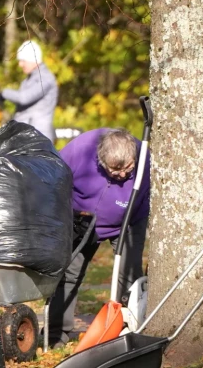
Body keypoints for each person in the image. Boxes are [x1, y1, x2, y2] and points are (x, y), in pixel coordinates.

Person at [48, 127, 150, 347]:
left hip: (130, 220)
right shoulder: (79, 150)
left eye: (128, 169)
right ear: (100, 160)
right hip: (81, 218)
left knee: (129, 274)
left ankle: (125, 328)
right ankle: (57, 332)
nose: (122, 175)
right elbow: (52, 180)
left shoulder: (145, 157)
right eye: (115, 170)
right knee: (69, 272)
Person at [0, 40, 59, 141]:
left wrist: (3, 93)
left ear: (33, 59)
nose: (20, 64)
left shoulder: (45, 78)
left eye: (23, 60)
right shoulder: (29, 79)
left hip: (38, 139)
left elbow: (24, 98)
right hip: (27, 136)